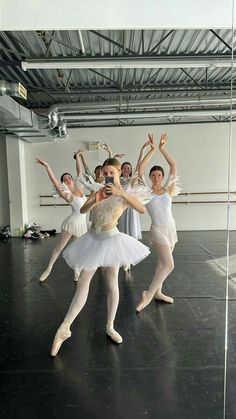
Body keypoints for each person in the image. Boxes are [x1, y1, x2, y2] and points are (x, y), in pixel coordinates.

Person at [50, 157, 150, 356]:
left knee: (112, 284)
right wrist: (94, 200)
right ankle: (65, 327)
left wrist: (121, 192)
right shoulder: (98, 192)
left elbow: (142, 209)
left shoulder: (123, 195)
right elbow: (82, 209)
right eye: (105, 173)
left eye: (111, 173)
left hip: (111, 241)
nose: (107, 176)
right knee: (83, 284)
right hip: (92, 240)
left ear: (119, 172)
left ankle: (110, 325)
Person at [136, 133, 178, 312]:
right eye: (153, 175)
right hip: (157, 229)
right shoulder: (147, 191)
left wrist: (162, 149)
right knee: (169, 265)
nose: (156, 177)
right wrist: (152, 150)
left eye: (159, 174)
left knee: (162, 264)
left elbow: (173, 165)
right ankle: (149, 293)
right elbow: (140, 170)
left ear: (162, 177)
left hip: (171, 228)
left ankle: (159, 292)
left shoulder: (169, 189)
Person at [35, 149, 87, 282]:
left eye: (69, 177)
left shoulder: (80, 189)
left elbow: (79, 172)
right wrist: (47, 166)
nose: (68, 179)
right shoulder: (67, 194)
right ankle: (48, 269)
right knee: (59, 247)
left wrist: (78, 156)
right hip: (72, 223)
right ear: (63, 183)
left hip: (82, 224)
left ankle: (76, 270)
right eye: (65, 179)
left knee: (78, 249)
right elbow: (54, 182)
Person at [118, 144, 150, 270]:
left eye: (128, 168)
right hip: (122, 209)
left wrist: (142, 150)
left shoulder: (133, 179)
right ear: (121, 169)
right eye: (124, 168)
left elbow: (139, 165)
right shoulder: (119, 180)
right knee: (122, 235)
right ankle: (125, 259)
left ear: (131, 170)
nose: (127, 169)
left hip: (132, 209)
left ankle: (129, 259)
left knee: (130, 235)